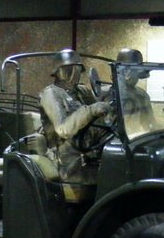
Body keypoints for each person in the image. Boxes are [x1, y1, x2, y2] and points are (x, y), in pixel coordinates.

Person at [39, 48, 111, 181]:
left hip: (89, 149)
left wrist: (110, 95)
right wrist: (90, 111)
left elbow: (97, 107)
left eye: (77, 69)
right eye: (70, 69)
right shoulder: (51, 94)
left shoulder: (80, 91)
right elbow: (63, 129)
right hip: (66, 158)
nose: (74, 73)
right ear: (59, 71)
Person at [115, 48, 156, 136]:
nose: (138, 78)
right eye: (136, 73)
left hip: (133, 141)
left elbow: (150, 124)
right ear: (126, 72)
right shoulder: (106, 94)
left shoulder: (142, 95)